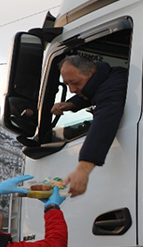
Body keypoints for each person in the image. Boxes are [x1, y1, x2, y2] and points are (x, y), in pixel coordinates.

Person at [50, 55, 128, 197]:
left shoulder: (115, 85)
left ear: (92, 72)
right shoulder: (108, 76)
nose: (72, 90)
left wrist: (83, 169)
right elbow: (93, 91)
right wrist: (72, 104)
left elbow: (105, 120)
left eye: (74, 82)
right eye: (67, 84)